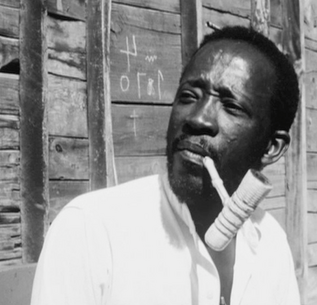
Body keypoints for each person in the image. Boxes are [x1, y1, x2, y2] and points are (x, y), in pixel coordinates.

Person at [31, 26, 300, 305]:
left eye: (231, 106)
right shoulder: (91, 230)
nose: (198, 119)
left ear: (272, 147)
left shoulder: (270, 243)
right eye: (188, 96)